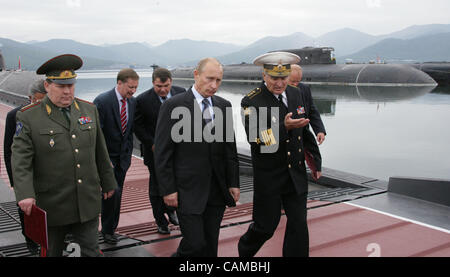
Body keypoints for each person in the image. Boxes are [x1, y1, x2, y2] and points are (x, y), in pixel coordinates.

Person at [12, 54, 117, 257]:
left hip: (86, 199)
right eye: (61, 86)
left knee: (91, 251)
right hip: (52, 203)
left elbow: (100, 150)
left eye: (71, 85)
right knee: (52, 252)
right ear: (47, 85)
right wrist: (25, 193)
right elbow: (21, 159)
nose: (67, 91)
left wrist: (108, 181)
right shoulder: (28, 116)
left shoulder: (89, 109)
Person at [238, 52, 322, 257]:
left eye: (283, 78)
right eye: (274, 78)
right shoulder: (251, 101)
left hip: (296, 173)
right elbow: (256, 140)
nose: (279, 83)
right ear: (264, 75)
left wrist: (316, 161)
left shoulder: (296, 94)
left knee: (298, 224)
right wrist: (282, 127)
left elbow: (304, 129)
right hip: (270, 175)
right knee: (266, 226)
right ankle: (245, 251)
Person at [155, 58, 240, 257]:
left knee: (210, 246)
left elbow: (230, 149)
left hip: (216, 191)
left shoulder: (223, 106)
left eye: (218, 80)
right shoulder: (173, 106)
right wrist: (168, 189)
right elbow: (162, 152)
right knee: (194, 244)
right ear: (196, 75)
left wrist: (233, 182)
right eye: (209, 79)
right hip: (187, 190)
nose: (214, 85)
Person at [134, 68, 184, 234]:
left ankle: (172, 210)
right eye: (158, 86)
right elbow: (138, 126)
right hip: (154, 152)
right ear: (153, 83)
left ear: (171, 82)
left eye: (166, 85)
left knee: (178, 183)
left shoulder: (181, 93)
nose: (163, 90)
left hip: (178, 151)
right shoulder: (142, 100)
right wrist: (152, 143)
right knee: (156, 188)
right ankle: (160, 221)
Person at [93, 68, 138, 244]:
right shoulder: (103, 101)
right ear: (119, 83)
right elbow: (97, 133)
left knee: (117, 195)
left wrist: (126, 153)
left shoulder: (132, 103)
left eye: (135, 87)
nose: (133, 91)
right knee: (111, 193)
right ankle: (107, 230)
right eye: (130, 87)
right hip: (108, 159)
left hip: (123, 159)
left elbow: (129, 130)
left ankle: (111, 228)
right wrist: (103, 161)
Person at [3, 79, 46, 254]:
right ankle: (30, 241)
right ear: (30, 98)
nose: (41, 104)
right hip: (25, 172)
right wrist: (14, 179)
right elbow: (8, 151)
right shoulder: (15, 115)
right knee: (25, 209)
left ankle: (49, 238)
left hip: (45, 172)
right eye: (38, 100)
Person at [288, 64, 326, 145]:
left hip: (302, 137)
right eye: (292, 82)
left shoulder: (304, 89)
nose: (295, 84)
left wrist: (320, 130)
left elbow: (312, 111)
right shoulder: (278, 92)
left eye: (298, 81)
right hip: (286, 138)